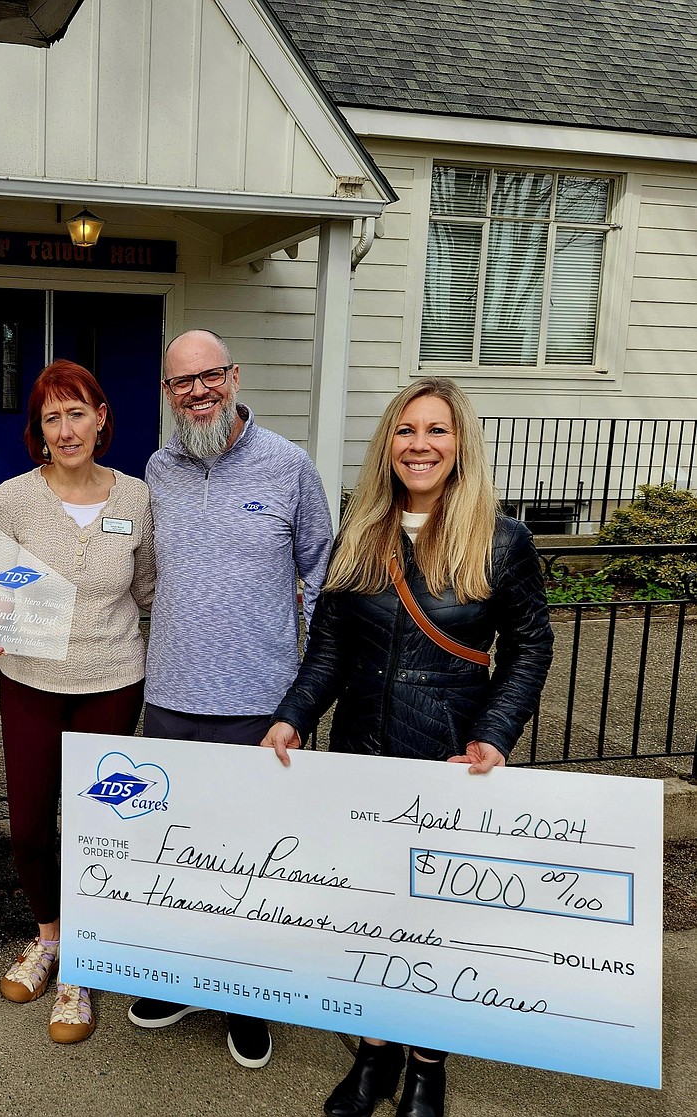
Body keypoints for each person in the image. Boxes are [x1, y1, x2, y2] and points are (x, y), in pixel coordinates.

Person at [260, 376, 554, 1117]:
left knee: (436, 925)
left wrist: (493, 735)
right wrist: (293, 715)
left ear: (460, 445)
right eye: (406, 430)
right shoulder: (363, 526)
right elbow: (327, 646)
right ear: (387, 443)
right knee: (372, 915)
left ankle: (427, 1065)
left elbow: (529, 647)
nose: (420, 444)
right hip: (362, 760)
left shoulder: (502, 537)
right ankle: (375, 1058)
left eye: (437, 431)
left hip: (448, 760)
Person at [127, 328, 333, 1069]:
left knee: (252, 860)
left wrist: (304, 699)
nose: (199, 391)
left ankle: (247, 997)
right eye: (183, 381)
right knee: (178, 855)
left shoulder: (289, 467)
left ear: (234, 375)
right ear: (168, 392)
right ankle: (183, 978)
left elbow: (324, 576)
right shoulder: (158, 467)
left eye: (210, 375)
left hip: (259, 703)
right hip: (171, 696)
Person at [0, 360, 155, 1044]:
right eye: (52, 417)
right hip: (32, 681)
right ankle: (48, 937)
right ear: (37, 430)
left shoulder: (137, 496)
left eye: (77, 412)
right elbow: (1, 582)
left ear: (102, 417)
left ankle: (83, 963)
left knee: (98, 825)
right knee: (34, 824)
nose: (66, 429)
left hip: (113, 680)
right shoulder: (12, 499)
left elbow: (151, 591)